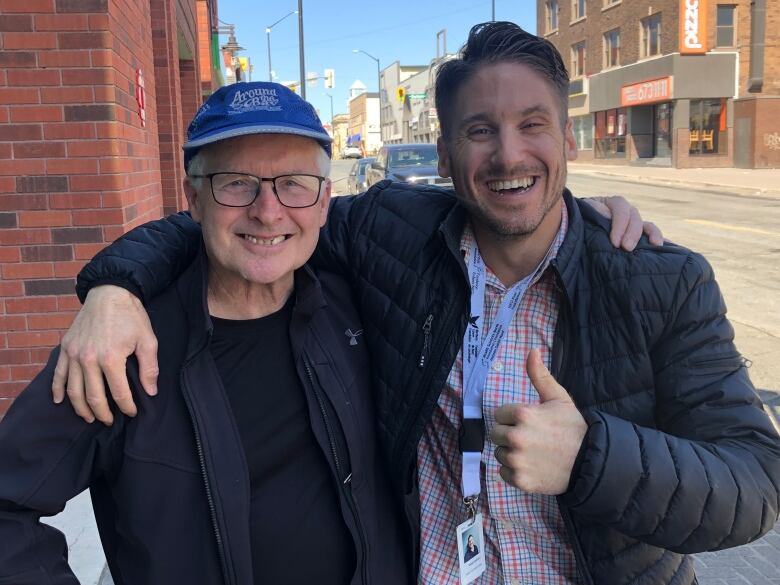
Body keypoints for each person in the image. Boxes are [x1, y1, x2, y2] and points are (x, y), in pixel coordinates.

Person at [46, 22, 780, 585]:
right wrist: (115, 284)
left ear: (567, 138)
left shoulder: (656, 279)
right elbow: (250, 221)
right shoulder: (390, 237)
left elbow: (757, 481)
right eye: (479, 130)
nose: (509, 154)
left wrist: (592, 458)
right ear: (443, 149)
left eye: (533, 125)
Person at [0, 82, 408, 585]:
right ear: (194, 199)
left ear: (325, 202)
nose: (268, 210)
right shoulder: (121, 349)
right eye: (236, 182)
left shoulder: (360, 308)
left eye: (295, 182)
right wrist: (113, 289)